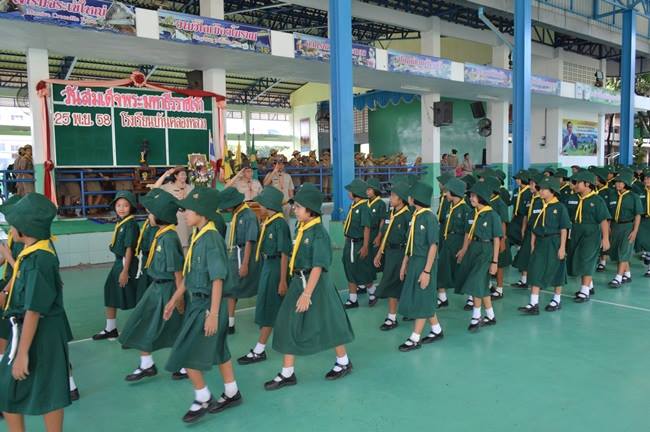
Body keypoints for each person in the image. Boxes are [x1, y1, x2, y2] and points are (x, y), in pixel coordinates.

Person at [264, 184, 355, 390]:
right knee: (288, 323)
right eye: (294, 206)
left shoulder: (318, 233)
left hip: (315, 285)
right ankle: (287, 373)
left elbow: (318, 266)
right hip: (300, 282)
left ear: (310, 210)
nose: (294, 209)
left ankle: (343, 362)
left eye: (298, 207)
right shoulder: (302, 228)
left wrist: (307, 294)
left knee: (329, 322)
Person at [164, 188, 242, 423]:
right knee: (219, 350)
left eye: (188, 210)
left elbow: (217, 279)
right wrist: (175, 298)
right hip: (198, 302)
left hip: (208, 305)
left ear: (201, 212)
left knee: (185, 351)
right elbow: (190, 275)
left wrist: (213, 314)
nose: (184, 214)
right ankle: (232, 392)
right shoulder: (198, 236)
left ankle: (203, 397)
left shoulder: (211, 239)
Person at [0, 193, 69, 431]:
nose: (10, 228)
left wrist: (22, 353)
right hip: (27, 328)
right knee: (7, 389)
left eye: (13, 224)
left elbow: (33, 310)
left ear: (25, 228)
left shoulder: (40, 259)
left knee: (49, 391)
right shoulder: (32, 252)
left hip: (42, 331)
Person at [118, 189, 186, 381]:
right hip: (156, 287)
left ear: (160, 216)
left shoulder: (169, 238)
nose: (148, 216)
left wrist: (179, 298)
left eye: (151, 213)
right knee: (142, 321)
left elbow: (177, 271)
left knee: (176, 328)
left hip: (168, 289)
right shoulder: (160, 234)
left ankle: (184, 364)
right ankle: (147, 364)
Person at [237, 186, 291, 365]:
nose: (258, 207)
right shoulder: (268, 222)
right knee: (270, 306)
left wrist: (282, 280)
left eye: (261, 204)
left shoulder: (279, 224)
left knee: (269, 308)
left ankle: (259, 350)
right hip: (268, 266)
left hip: (276, 268)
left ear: (269, 205)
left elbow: (284, 253)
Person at [397, 182, 444, 351]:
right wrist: (404, 263)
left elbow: (433, 245)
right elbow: (410, 243)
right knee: (423, 297)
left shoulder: (429, 217)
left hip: (425, 262)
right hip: (414, 260)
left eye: (410, 195)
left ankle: (415, 338)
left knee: (422, 297)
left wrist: (426, 271)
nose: (408, 198)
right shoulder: (415, 216)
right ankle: (437, 330)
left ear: (414, 198)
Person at [517, 176, 571, 314]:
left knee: (557, 270)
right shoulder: (538, 205)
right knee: (535, 269)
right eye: (540, 189)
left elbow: (564, 229)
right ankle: (533, 303)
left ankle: (556, 299)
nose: (540, 191)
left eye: (544, 189)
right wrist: (532, 243)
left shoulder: (560, 207)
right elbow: (534, 226)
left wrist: (562, 247)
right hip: (540, 241)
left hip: (554, 242)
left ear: (552, 191)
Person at [92, 191, 140, 340]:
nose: (121, 208)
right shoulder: (121, 222)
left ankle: (141, 329)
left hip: (126, 263)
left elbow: (129, 248)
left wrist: (125, 271)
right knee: (110, 291)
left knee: (136, 296)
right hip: (119, 262)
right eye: (118, 205)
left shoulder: (130, 224)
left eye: (125, 205)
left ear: (131, 207)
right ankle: (110, 328)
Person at [454, 182, 502, 332]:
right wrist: (463, 250)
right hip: (472, 249)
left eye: (474, 196)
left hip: (485, 250)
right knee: (481, 284)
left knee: (475, 283)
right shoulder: (471, 213)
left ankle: (476, 317)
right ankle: (490, 316)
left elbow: (496, 239)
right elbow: (468, 234)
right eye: (470, 195)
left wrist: (495, 261)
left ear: (481, 197)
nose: (471, 198)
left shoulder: (492, 215)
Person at [218, 187, 261, 334]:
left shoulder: (248, 215)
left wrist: (244, 264)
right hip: (234, 254)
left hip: (245, 255)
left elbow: (249, 241)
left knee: (244, 287)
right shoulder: (237, 214)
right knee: (230, 289)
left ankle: (262, 317)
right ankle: (230, 323)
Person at [567, 170, 610, 303]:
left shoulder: (597, 200)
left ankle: (584, 291)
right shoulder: (574, 198)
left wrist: (605, 238)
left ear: (587, 184)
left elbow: (603, 220)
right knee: (579, 259)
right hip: (576, 232)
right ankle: (589, 286)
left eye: (578, 183)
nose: (575, 185)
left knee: (587, 260)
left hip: (591, 234)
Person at [374, 181, 411, 330]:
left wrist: (407, 261)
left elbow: (411, 240)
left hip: (401, 254)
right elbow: (385, 234)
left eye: (393, 195)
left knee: (395, 284)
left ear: (401, 199)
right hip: (389, 253)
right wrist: (379, 253)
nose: (390, 198)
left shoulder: (407, 216)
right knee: (393, 284)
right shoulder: (391, 213)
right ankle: (394, 316)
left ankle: (393, 317)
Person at [436, 178, 469, 308]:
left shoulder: (465, 209)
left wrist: (464, 249)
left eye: (448, 192)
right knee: (442, 269)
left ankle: (471, 298)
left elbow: (468, 232)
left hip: (459, 242)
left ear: (454, 192)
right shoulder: (450, 206)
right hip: (448, 241)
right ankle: (442, 298)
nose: (445, 194)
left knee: (463, 271)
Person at [341, 179, 373, 308]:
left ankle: (373, 292)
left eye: (350, 191)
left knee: (361, 270)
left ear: (356, 192)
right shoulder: (353, 205)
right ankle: (353, 299)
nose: (348, 193)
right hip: (350, 242)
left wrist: (365, 246)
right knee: (349, 269)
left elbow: (366, 227)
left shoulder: (364, 207)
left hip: (358, 243)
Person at [607, 172, 642, 288]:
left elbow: (638, 215)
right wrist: (608, 227)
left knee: (624, 251)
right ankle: (627, 274)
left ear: (626, 184)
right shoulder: (612, 195)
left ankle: (618, 277)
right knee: (617, 252)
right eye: (616, 182)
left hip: (628, 226)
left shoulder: (634, 197)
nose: (617, 184)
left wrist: (635, 231)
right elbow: (609, 213)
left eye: (620, 182)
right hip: (615, 226)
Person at [511, 174, 543, 289]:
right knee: (525, 255)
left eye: (532, 184)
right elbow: (525, 215)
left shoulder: (542, 200)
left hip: (538, 233)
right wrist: (523, 229)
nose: (530, 186)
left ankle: (538, 281)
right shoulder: (530, 198)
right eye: (530, 184)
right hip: (529, 231)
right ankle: (524, 280)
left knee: (537, 257)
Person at [153, 167, 194, 251]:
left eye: (185, 174)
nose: (184, 176)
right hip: (173, 222)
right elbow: (155, 188)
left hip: (187, 221)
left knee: (187, 246)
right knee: (174, 246)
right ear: (175, 176)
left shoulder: (191, 188)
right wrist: (165, 174)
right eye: (182, 174)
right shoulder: (168, 187)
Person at [365, 178, 387, 301]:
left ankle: (382, 286)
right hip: (366, 234)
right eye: (367, 189)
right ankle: (367, 284)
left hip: (375, 234)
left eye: (370, 189)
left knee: (378, 261)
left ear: (375, 190)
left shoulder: (380, 204)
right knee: (367, 260)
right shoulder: (366, 202)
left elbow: (382, 221)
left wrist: (379, 236)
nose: (367, 192)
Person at [508, 170, 532, 248]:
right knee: (509, 233)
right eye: (516, 179)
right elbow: (514, 206)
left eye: (519, 179)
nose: (517, 180)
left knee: (522, 237)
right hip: (516, 217)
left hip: (524, 218)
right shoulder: (516, 191)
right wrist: (512, 218)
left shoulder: (529, 191)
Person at [636, 169, 650, 277]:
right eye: (645, 179)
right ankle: (648, 254)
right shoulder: (640, 191)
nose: (646, 181)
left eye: (648, 179)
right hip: (644, 220)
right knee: (643, 240)